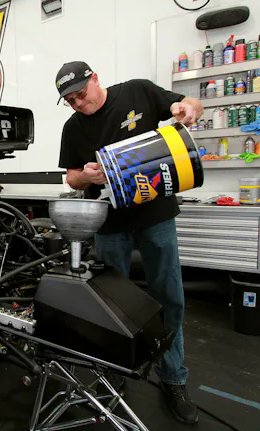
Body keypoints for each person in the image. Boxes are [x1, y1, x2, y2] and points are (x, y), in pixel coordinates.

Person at [56, 61, 203, 425]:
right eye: (70, 101)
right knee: (112, 304)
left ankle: (173, 378)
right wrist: (85, 176)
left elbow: (190, 105)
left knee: (169, 297)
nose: (78, 103)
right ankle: (115, 374)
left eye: (81, 94)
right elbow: (71, 177)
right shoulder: (73, 128)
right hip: (110, 224)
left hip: (156, 217)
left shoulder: (138, 91)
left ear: (95, 79)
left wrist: (186, 109)